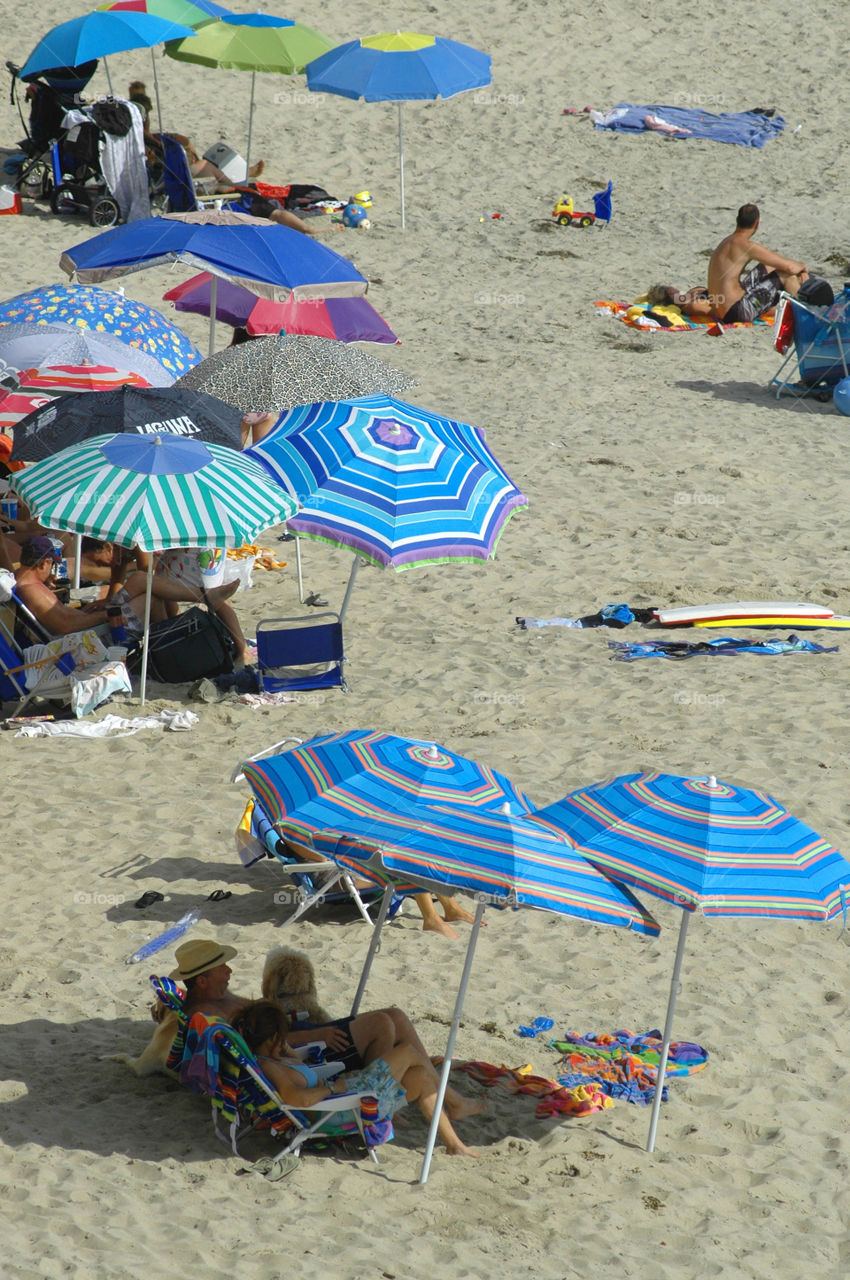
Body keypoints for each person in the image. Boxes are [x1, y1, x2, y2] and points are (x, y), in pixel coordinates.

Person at [170, 939, 485, 1125]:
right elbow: (259, 1046)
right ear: (200, 980)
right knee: (383, 1024)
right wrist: (309, 1037)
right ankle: (387, 1104)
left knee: (395, 1017)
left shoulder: (215, 999)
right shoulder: (208, 1013)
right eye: (222, 968)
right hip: (306, 1051)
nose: (229, 971)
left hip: (299, 1035)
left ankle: (444, 1098)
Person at [232, 999, 478, 1157]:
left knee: (421, 1076)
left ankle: (454, 1144)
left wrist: (284, 1048)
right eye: (281, 1034)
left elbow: (294, 1067)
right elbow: (298, 1098)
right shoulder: (271, 1066)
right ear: (272, 1036)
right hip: (342, 1106)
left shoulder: (275, 1055)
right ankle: (454, 1102)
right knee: (408, 1052)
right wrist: (334, 1089)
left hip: (344, 1097)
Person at [14, 535, 244, 650]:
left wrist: (104, 606)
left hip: (89, 628)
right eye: (52, 566)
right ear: (43, 563)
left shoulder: (27, 585)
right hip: (90, 640)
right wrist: (105, 614)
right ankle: (197, 605)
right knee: (145, 586)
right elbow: (66, 627)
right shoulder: (32, 590)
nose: (53, 572)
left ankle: (172, 642)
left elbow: (66, 619)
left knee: (144, 584)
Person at [127, 83, 265, 188]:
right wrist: (159, 143)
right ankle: (239, 182)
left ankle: (199, 161)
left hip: (162, 162)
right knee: (206, 165)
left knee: (185, 143)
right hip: (168, 172)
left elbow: (146, 134)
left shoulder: (130, 126)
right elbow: (147, 142)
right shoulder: (137, 135)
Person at [707, 203, 809, 324]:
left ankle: (781, 305)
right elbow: (789, 267)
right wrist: (802, 267)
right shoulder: (746, 246)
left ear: (737, 221)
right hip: (736, 311)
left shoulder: (726, 242)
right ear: (757, 224)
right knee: (786, 275)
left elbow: (774, 261)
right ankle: (806, 312)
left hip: (719, 307)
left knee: (768, 266)